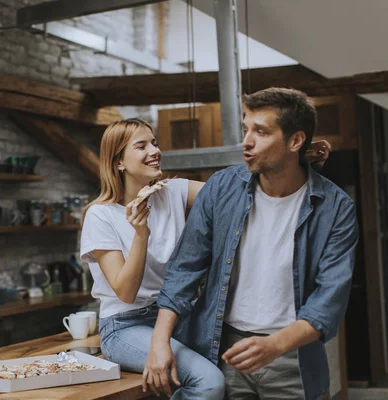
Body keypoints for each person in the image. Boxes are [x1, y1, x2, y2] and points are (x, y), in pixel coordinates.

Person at [80, 116, 330, 399]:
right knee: (209, 382)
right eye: (141, 146)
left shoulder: (172, 192)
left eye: (154, 143)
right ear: (119, 162)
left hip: (176, 318)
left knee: (237, 367)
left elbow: (231, 187)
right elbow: (125, 292)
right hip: (126, 325)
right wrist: (141, 234)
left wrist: (285, 157)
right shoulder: (101, 215)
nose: (154, 151)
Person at [143, 88, 358, 400]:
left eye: (261, 131)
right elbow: (184, 270)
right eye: (246, 129)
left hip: (292, 359)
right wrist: (159, 342)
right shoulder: (221, 188)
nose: (246, 141)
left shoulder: (335, 208)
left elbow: (329, 301)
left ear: (296, 141)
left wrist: (274, 345)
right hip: (222, 349)